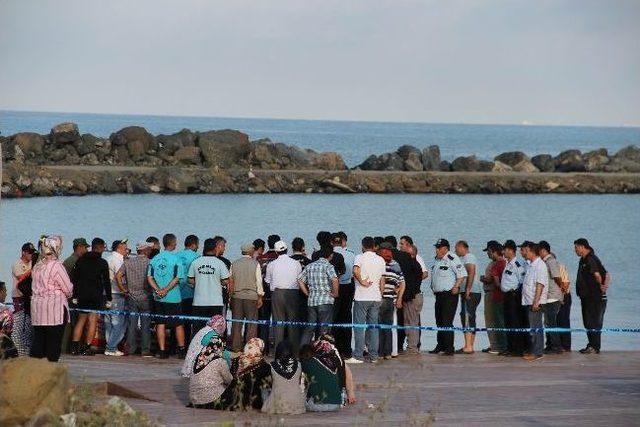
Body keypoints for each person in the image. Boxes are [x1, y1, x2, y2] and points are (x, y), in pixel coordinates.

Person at [30, 235, 73, 362]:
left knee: (39, 341)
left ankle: (33, 371)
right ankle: (51, 371)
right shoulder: (56, 266)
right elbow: (68, 288)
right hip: (55, 310)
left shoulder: (37, 267)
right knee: (53, 343)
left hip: (38, 310)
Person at [147, 233, 187, 359]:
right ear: (174, 244)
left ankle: (162, 350)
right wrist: (166, 290)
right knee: (178, 324)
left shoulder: (155, 259)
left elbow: (149, 277)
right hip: (173, 297)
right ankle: (181, 350)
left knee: (161, 323)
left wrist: (158, 290)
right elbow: (177, 278)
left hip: (158, 297)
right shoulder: (176, 259)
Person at [70, 237, 111, 356]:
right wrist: (109, 298)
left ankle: (74, 346)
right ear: (100, 248)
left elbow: (75, 279)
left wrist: (75, 295)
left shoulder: (81, 260)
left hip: (82, 294)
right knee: (92, 320)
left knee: (81, 320)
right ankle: (87, 347)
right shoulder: (102, 262)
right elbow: (106, 282)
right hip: (95, 295)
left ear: (92, 247)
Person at [348, 236, 386, 364]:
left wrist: (361, 281)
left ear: (363, 246)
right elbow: (382, 280)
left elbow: (355, 270)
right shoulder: (380, 259)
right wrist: (380, 294)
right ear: (374, 246)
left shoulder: (360, 257)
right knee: (373, 327)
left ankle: (358, 355)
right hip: (375, 297)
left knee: (359, 327)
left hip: (362, 296)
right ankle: (373, 356)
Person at [429, 239, 467, 356]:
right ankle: (440, 345)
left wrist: (456, 286)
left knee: (446, 321)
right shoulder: (437, 260)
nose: (436, 250)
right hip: (439, 296)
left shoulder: (452, 258)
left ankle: (449, 348)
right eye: (436, 247)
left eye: (439, 248)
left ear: (445, 249)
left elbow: (462, 274)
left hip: (449, 295)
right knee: (439, 321)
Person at [385, 235, 421, 355]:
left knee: (401, 321)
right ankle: (411, 347)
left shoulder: (389, 257)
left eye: (402, 244)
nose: (400, 246)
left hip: (396, 294)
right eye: (400, 244)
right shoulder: (407, 257)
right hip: (409, 294)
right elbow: (418, 273)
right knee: (410, 321)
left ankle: (401, 347)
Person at [214, 338, 272, 411]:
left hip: (230, 400)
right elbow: (267, 388)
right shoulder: (265, 367)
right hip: (251, 403)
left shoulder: (236, 359)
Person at [301, 335, 356, 411]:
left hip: (319, 403)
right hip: (338, 401)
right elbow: (348, 374)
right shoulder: (336, 356)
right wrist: (350, 393)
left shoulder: (311, 361)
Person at [266, 240, 303, 353]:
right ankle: (294, 352)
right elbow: (300, 279)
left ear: (276, 252)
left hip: (277, 293)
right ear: (287, 250)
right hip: (293, 293)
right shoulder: (296, 263)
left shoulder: (271, 264)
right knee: (293, 323)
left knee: (278, 323)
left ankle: (278, 351)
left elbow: (268, 281)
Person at [118, 241, 154, 357]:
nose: (150, 251)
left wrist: (123, 289)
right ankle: (145, 350)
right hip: (145, 296)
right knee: (145, 325)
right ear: (144, 250)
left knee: (132, 324)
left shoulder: (128, 262)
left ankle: (131, 348)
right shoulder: (150, 262)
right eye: (148, 249)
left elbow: (118, 275)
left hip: (131, 296)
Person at [298, 246, 339, 345]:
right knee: (324, 329)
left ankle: (302, 351)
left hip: (312, 301)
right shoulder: (328, 266)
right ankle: (321, 352)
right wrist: (335, 293)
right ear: (331, 255)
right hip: (325, 301)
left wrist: (307, 293)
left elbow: (300, 280)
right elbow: (334, 279)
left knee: (309, 328)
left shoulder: (310, 266)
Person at [188, 238, 230, 332]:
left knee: (198, 329)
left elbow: (190, 279)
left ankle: (198, 346)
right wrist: (216, 282)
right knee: (214, 330)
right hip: (216, 302)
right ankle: (212, 346)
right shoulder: (220, 263)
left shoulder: (196, 262)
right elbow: (226, 280)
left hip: (199, 301)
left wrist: (199, 282)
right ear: (215, 248)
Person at [574, 238, 607, 354]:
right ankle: (591, 345)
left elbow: (599, 275)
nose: (575, 250)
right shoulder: (583, 260)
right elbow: (607, 274)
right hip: (586, 297)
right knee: (587, 322)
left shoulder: (590, 259)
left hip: (593, 297)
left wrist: (602, 286)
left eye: (576, 247)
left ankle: (595, 347)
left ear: (583, 247)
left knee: (593, 322)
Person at [229, 243, 264, 352]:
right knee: (251, 325)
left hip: (237, 296)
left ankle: (236, 348)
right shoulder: (255, 264)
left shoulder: (234, 264)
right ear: (250, 251)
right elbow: (258, 281)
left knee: (236, 324)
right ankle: (250, 348)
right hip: (251, 297)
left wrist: (230, 297)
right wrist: (260, 297)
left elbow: (231, 282)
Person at [520, 241, 548, 361]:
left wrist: (536, 302)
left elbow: (540, 285)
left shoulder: (540, 265)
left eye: (524, 250)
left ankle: (538, 352)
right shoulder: (530, 265)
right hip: (528, 301)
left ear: (531, 250)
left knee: (536, 327)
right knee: (532, 327)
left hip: (535, 302)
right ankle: (534, 350)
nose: (523, 253)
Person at [496, 240, 525, 357]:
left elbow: (521, 281)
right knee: (508, 322)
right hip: (507, 296)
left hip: (513, 296)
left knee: (514, 322)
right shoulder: (508, 263)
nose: (503, 252)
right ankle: (510, 347)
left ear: (511, 251)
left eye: (505, 249)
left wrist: (517, 295)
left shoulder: (517, 264)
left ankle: (517, 349)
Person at [188, 334, 233, 409]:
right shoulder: (220, 361)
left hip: (194, 399)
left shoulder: (197, 358)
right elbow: (229, 379)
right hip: (210, 400)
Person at [262, 341, 306, 415]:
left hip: (277, 405)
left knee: (265, 391)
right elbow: (298, 382)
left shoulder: (271, 365)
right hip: (297, 405)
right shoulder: (299, 364)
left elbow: (269, 384)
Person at [331, 232, 356, 358]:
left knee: (333, 318)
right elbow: (353, 273)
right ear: (342, 242)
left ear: (331, 243)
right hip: (347, 287)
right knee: (346, 317)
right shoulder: (351, 254)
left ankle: (333, 348)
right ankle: (346, 349)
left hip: (333, 288)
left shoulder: (329, 255)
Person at [455, 241, 482, 354]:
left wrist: (467, 289)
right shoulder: (464, 258)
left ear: (462, 247)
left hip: (471, 291)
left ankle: (468, 346)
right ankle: (469, 345)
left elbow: (471, 272)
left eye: (456, 248)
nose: (455, 251)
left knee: (466, 316)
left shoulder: (468, 257)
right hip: (471, 291)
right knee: (469, 316)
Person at [378, 244, 405, 359]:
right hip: (390, 299)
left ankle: (379, 353)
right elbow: (402, 282)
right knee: (388, 326)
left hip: (380, 297)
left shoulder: (379, 263)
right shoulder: (396, 265)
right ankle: (388, 353)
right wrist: (399, 298)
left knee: (378, 326)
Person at [538, 241, 564, 354]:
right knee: (547, 322)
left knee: (551, 323)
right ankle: (549, 345)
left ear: (543, 250)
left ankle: (556, 347)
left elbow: (557, 277)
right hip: (547, 297)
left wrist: (561, 291)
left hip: (553, 297)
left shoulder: (551, 261)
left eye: (538, 251)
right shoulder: (544, 262)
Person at [104, 239, 129, 356]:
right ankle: (111, 347)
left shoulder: (108, 258)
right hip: (117, 293)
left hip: (106, 293)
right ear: (119, 247)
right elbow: (120, 278)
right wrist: (124, 290)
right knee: (118, 322)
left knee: (108, 321)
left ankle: (109, 346)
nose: (127, 250)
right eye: (125, 247)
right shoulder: (118, 260)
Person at [11, 243, 36, 357]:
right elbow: (20, 277)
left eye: (32, 253)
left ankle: (27, 349)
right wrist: (33, 269)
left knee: (28, 324)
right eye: (29, 253)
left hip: (29, 297)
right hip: (18, 297)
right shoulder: (17, 264)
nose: (31, 255)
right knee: (19, 324)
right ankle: (17, 348)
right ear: (23, 252)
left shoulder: (32, 263)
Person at [257, 235, 280, 354]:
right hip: (277, 295)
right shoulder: (280, 259)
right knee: (278, 323)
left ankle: (263, 349)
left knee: (264, 323)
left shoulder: (261, 258)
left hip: (263, 295)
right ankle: (278, 348)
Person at [176, 235, 200, 342]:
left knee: (176, 322)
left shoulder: (176, 256)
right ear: (194, 245)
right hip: (191, 293)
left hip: (176, 293)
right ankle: (187, 346)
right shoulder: (197, 257)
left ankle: (175, 345)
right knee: (189, 322)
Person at [403, 245, 424, 355]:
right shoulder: (414, 265)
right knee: (409, 321)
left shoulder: (414, 265)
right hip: (413, 296)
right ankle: (411, 345)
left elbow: (411, 284)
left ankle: (412, 347)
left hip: (413, 297)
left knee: (412, 322)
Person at [290, 237, 312, 330]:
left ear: (292, 248)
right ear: (303, 247)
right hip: (305, 294)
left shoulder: (289, 261)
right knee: (304, 319)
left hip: (291, 293)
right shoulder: (309, 262)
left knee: (291, 320)